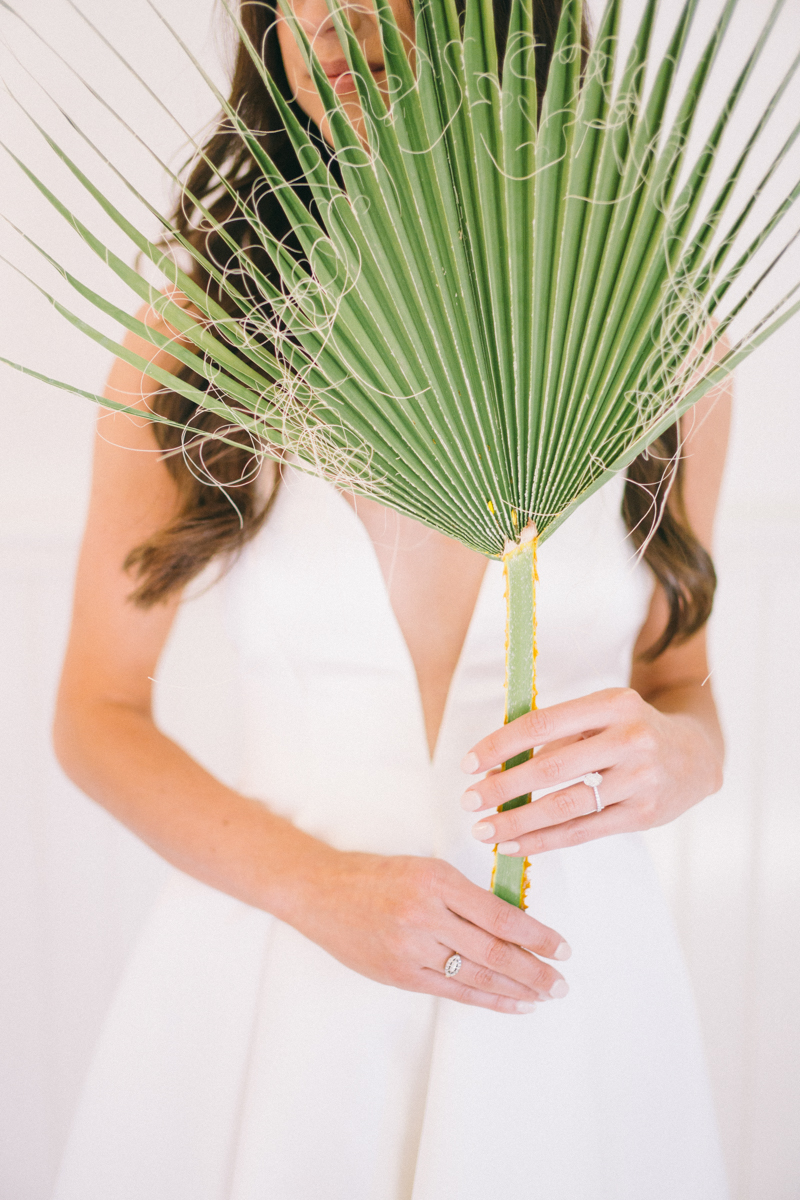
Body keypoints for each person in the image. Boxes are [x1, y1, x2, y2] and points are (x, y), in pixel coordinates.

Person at [51, 0, 732, 1196]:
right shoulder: (201, 338)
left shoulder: (659, 347)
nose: (331, 16)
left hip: (566, 979)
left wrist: (676, 760)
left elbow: (683, 690)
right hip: (276, 971)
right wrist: (317, 892)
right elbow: (95, 715)